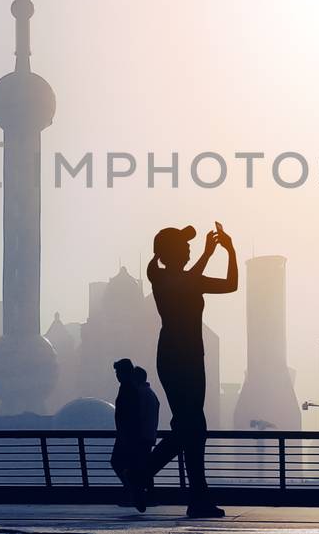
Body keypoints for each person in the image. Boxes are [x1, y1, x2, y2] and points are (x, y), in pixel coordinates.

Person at [141, 221, 238, 519]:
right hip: (175, 357)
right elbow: (185, 284)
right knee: (192, 427)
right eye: (183, 247)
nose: (188, 250)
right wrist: (209, 253)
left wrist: (231, 252)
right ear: (168, 252)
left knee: (192, 429)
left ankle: (144, 473)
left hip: (193, 357)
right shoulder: (160, 277)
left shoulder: (187, 278)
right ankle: (192, 495)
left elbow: (230, 285)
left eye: (189, 247)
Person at [111, 358, 160, 512]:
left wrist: (127, 436)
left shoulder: (129, 390)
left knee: (122, 463)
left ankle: (135, 491)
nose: (117, 375)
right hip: (135, 436)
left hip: (129, 436)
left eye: (119, 372)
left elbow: (131, 415)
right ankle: (138, 492)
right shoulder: (134, 389)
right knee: (138, 466)